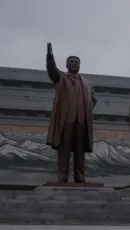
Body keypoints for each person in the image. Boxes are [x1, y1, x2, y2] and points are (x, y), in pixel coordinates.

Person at [45, 43, 97, 183]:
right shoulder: (61, 77)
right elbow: (52, 71)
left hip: (81, 121)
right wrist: (50, 59)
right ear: (67, 65)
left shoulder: (87, 83)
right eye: (71, 62)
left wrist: (85, 109)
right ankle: (63, 175)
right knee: (64, 148)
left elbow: (93, 99)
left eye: (76, 62)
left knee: (80, 151)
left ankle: (80, 176)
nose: (74, 64)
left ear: (80, 65)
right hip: (66, 120)